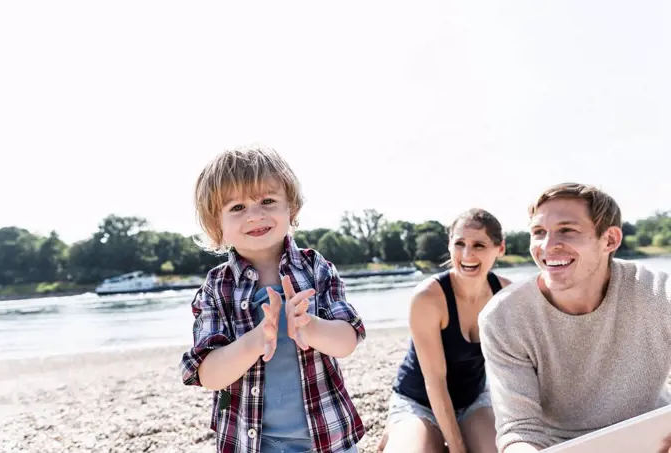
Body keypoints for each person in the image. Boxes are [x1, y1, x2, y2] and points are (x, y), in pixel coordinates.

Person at [179, 145, 366, 453]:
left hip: (327, 438)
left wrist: (311, 327)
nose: (255, 214)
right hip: (250, 443)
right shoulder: (217, 286)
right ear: (218, 223)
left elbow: (347, 341)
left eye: (267, 201)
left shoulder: (315, 268)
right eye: (237, 207)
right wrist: (255, 340)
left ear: (290, 208)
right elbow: (208, 374)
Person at [479, 182, 671, 453]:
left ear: (610, 240)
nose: (548, 246)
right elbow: (520, 430)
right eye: (538, 232)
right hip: (563, 447)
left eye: (567, 231)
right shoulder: (504, 318)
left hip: (655, 439)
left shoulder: (659, 294)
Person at [380, 208, 512, 453]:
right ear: (450, 246)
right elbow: (435, 382)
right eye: (459, 243)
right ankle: (401, 429)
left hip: (473, 401)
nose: (467, 254)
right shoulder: (428, 298)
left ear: (500, 249)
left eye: (479, 245)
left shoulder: (505, 295)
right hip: (419, 402)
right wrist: (457, 447)